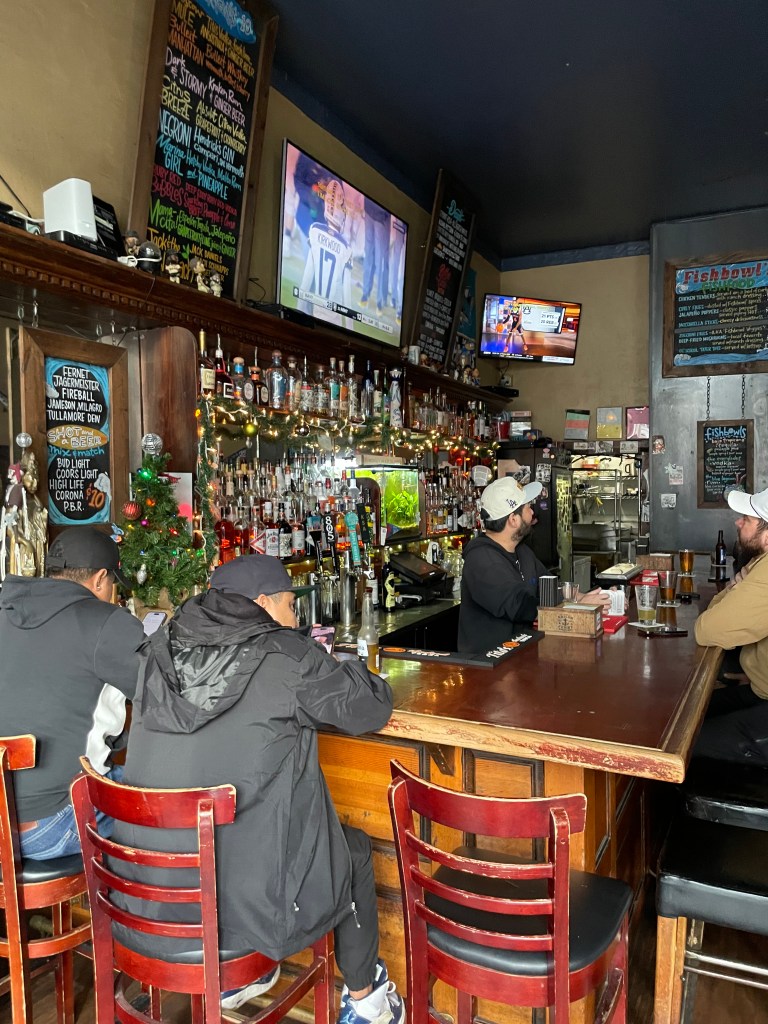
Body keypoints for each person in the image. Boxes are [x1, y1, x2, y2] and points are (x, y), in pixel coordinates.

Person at [112, 555, 404, 1024]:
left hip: (145, 900)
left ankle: (243, 977)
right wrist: (341, 664)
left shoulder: (156, 649)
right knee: (350, 848)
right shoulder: (286, 655)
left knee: (237, 832)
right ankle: (367, 999)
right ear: (264, 603)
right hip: (248, 910)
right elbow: (369, 706)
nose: (296, 620)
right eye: (292, 607)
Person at [0, 526, 146, 858]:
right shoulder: (106, 621)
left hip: (4, 816)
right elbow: (162, 695)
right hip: (47, 825)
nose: (113, 594)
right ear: (99, 580)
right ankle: (122, 906)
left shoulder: (5, 612)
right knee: (155, 794)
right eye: (112, 585)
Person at [458, 476, 608, 653]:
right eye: (528, 507)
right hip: (491, 664)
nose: (533, 512)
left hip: (521, 654)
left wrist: (593, 597)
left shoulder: (522, 552)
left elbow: (550, 587)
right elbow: (520, 606)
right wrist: (577, 604)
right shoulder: (482, 559)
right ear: (513, 519)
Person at [692, 487, 768, 763]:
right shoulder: (761, 562)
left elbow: (708, 630)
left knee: (686, 741)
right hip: (761, 689)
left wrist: (738, 587)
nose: (738, 521)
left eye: (747, 519)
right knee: (691, 713)